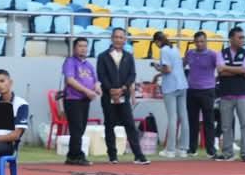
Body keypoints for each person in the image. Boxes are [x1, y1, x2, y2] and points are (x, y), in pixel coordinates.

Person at [96, 27, 150, 165]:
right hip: (108, 96)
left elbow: (132, 75)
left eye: (121, 37)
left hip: (123, 96)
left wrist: (123, 88)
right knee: (109, 125)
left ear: (125, 40)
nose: (118, 40)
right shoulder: (103, 56)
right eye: (116, 37)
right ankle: (112, 156)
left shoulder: (128, 56)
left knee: (130, 125)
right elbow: (101, 75)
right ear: (112, 38)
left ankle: (138, 155)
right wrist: (111, 90)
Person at [215, 27, 245, 162]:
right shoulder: (221, 53)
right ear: (231, 39)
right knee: (226, 126)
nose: (242, 40)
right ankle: (228, 153)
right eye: (240, 37)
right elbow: (221, 72)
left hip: (242, 94)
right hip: (226, 94)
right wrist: (241, 72)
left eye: (243, 37)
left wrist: (226, 68)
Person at [61, 37, 99, 166]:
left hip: (84, 100)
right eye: (80, 46)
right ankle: (77, 155)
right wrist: (87, 91)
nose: (83, 48)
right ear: (74, 48)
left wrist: (97, 88)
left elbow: (95, 80)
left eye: (85, 46)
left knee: (80, 128)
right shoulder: (70, 62)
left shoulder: (88, 65)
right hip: (73, 99)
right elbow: (70, 80)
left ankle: (72, 155)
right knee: (76, 128)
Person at [152, 31, 188, 158]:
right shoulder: (175, 48)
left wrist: (158, 68)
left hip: (171, 86)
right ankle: (183, 149)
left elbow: (167, 69)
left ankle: (171, 149)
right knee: (184, 117)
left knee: (172, 118)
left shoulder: (164, 50)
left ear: (158, 41)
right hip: (182, 84)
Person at [184, 31, 217, 158]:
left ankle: (210, 150)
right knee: (192, 121)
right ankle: (192, 149)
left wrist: (215, 81)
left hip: (207, 90)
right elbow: (182, 65)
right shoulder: (190, 53)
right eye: (197, 41)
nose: (199, 44)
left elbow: (220, 68)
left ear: (206, 41)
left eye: (202, 41)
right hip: (192, 90)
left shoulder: (212, 55)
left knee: (208, 121)